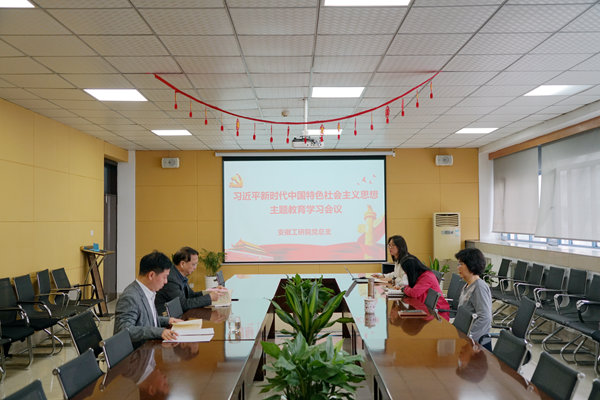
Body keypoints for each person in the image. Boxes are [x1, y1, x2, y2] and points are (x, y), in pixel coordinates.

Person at [114, 251, 182, 347]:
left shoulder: (148, 291)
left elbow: (145, 319)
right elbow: (124, 330)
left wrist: (168, 320)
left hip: (149, 348)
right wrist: (159, 332)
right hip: (137, 353)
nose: (166, 281)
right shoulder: (130, 297)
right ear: (151, 275)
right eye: (164, 277)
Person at [391, 237, 451, 321]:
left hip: (436, 313)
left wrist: (404, 288)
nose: (406, 274)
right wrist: (405, 288)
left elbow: (414, 293)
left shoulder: (427, 277)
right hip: (424, 309)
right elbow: (411, 289)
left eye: (406, 271)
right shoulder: (419, 276)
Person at [155, 246, 220, 315]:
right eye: (193, 264)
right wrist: (209, 298)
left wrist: (209, 292)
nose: (195, 268)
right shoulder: (171, 279)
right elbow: (183, 305)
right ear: (182, 264)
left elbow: (191, 295)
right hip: (167, 318)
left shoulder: (180, 275)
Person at [455, 248, 493, 350]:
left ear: (471, 265)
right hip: (464, 336)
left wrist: (468, 338)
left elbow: (485, 318)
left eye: (461, 264)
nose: (458, 267)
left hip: (476, 343)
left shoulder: (479, 287)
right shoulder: (467, 285)